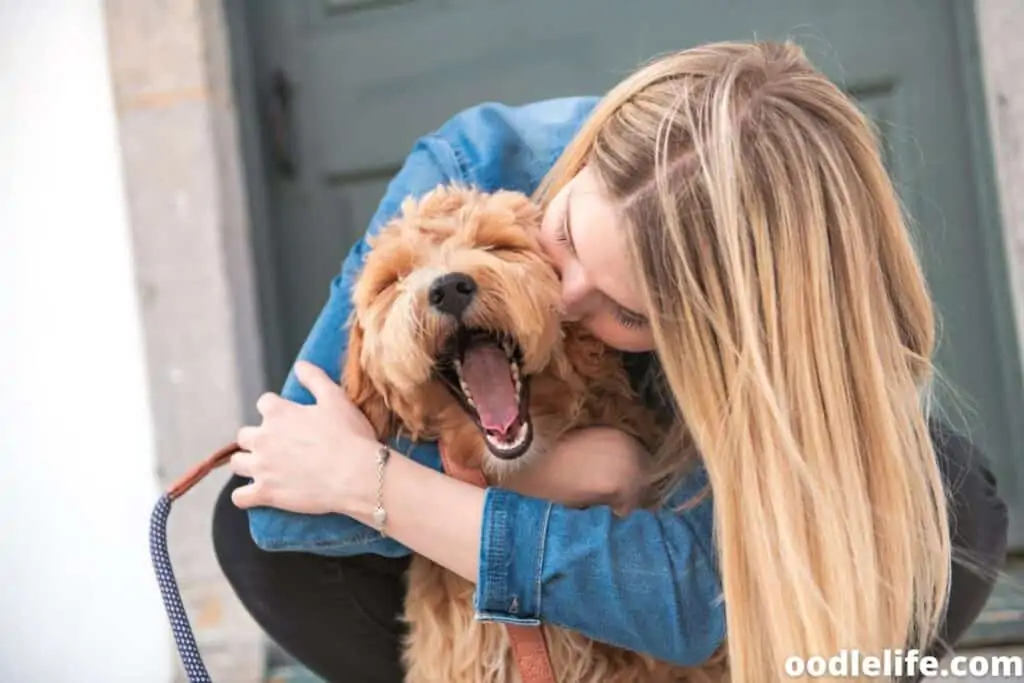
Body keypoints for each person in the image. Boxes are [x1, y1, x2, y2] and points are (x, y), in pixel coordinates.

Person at [213, 41, 1009, 683]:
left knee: (949, 499)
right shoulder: (477, 160)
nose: (562, 302)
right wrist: (557, 472)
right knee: (251, 518)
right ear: (589, 153)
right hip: (483, 569)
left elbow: (696, 602)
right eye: (561, 238)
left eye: (627, 312)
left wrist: (382, 480)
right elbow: (286, 504)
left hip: (691, 565)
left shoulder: (786, 328)